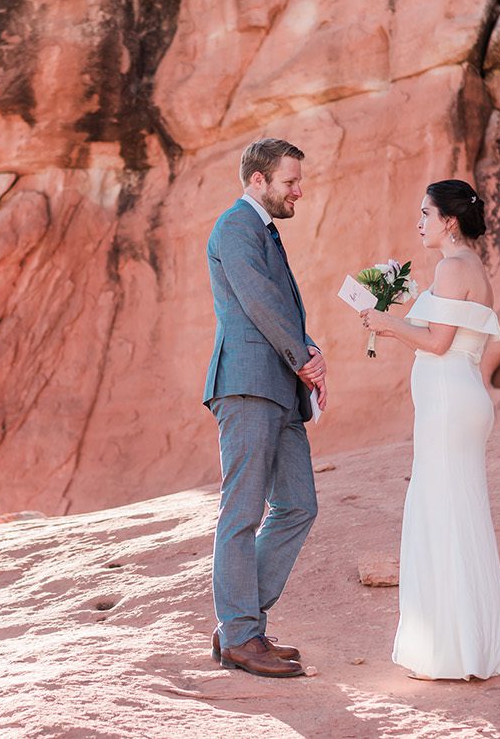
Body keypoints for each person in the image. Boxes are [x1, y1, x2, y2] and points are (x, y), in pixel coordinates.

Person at [361, 179, 500, 681]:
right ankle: (469, 641)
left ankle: (453, 650)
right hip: (456, 400)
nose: (420, 222)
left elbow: (437, 343)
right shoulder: (467, 268)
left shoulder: (453, 267)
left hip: (450, 403)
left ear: (448, 220)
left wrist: (386, 325)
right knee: (456, 514)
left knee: (443, 515)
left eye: (425, 213)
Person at [203, 138, 328, 678]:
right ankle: (240, 635)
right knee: (242, 511)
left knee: (298, 504)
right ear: (259, 180)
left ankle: (241, 623)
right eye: (290, 182)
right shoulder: (236, 225)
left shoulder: (262, 230)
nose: (298, 190)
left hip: (279, 388)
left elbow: (276, 307)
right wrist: (303, 357)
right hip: (250, 384)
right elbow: (256, 300)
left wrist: (309, 351)